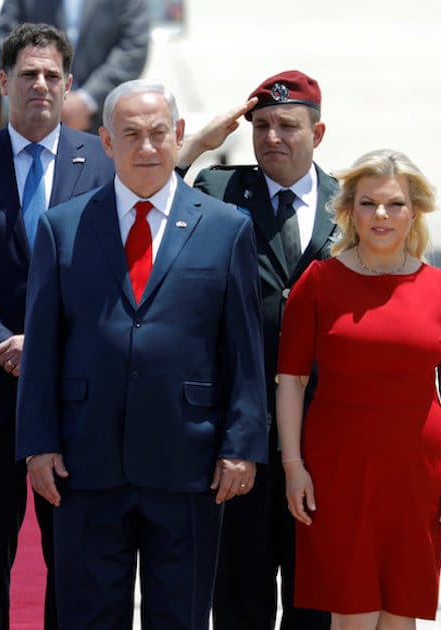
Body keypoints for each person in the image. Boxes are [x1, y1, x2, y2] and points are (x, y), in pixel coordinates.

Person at [16, 79, 265, 629]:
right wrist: (38, 442)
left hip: (190, 463)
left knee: (180, 617)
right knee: (87, 616)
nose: (146, 147)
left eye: (158, 133)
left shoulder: (226, 228)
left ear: (179, 136)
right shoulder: (62, 227)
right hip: (86, 460)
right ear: (106, 142)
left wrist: (241, 445)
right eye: (130, 135)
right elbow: (44, 345)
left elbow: (243, 349)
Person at [0, 22, 113, 630]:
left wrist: (40, 342)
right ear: (4, 81)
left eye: (51, 75)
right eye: (27, 74)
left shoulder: (104, 164)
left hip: (73, 396)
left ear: (67, 85)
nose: (39, 85)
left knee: (73, 563)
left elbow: (110, 276)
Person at [180, 70, 335, 630]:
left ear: (317, 134)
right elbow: (150, 195)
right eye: (261, 125)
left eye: (287, 126)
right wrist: (197, 144)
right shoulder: (220, 190)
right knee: (238, 594)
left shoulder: (351, 205)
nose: (271, 137)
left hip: (321, 436)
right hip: (238, 432)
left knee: (313, 597)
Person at [277, 149, 441, 629]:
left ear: (414, 211)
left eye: (394, 204)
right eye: (368, 203)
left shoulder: (436, 287)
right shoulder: (319, 281)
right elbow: (291, 380)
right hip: (339, 470)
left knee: (401, 615)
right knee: (352, 614)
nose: (381, 215)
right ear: (349, 209)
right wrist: (293, 466)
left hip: (417, 471)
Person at [0, 0, 150, 130]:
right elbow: (3, 42)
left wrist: (87, 100)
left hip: (101, 120)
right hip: (31, 117)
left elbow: (133, 48)